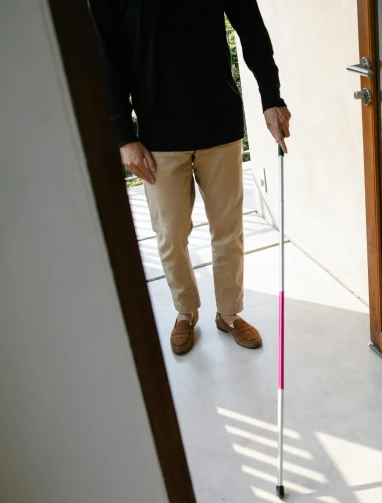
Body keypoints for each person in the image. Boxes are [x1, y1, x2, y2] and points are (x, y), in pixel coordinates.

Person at [90, 1, 291, 354]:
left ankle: (228, 314)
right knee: (170, 233)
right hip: (156, 138)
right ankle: (186, 312)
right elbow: (107, 59)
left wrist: (271, 97)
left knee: (229, 231)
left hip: (220, 125)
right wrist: (123, 135)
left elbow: (252, 29)